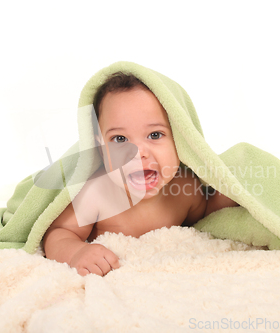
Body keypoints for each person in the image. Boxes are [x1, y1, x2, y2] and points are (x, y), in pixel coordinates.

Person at [43, 72, 238, 276]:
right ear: (100, 148)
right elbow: (58, 233)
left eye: (155, 135)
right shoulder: (95, 193)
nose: (138, 153)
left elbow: (207, 214)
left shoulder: (185, 187)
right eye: (119, 139)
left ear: (180, 139)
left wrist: (233, 192)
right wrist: (77, 252)